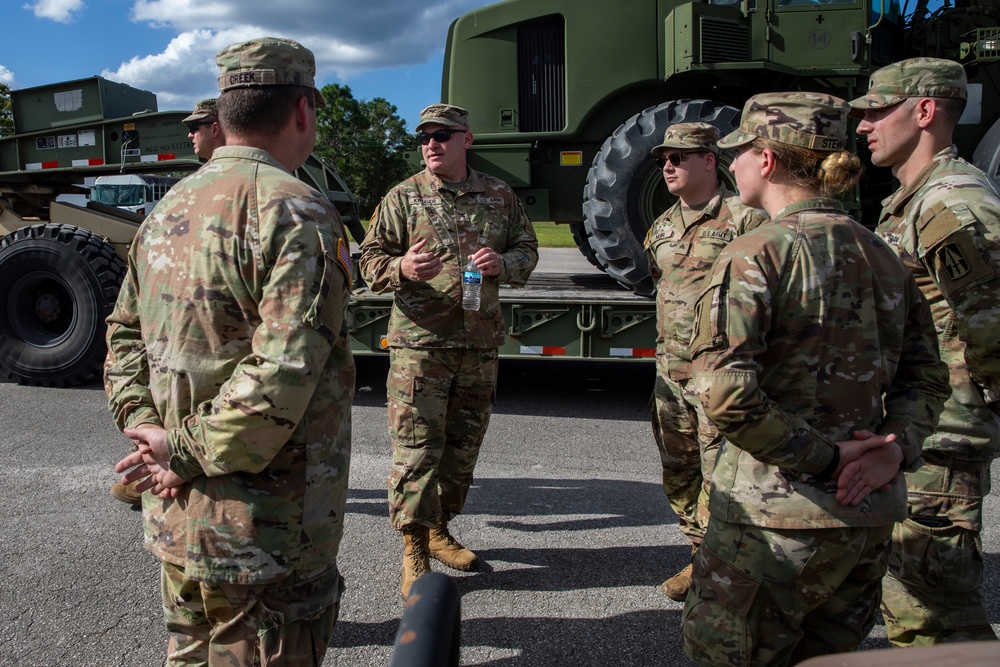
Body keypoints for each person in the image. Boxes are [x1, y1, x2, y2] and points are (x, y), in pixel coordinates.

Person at [106, 37, 355, 666]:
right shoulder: (297, 211)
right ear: (302, 111)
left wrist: (146, 430)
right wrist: (179, 450)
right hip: (261, 533)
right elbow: (281, 373)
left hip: (175, 517)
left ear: (226, 111)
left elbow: (123, 335)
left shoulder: (166, 209)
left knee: (189, 652)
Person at [680, 91, 950, 666]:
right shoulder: (885, 254)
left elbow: (726, 395)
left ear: (769, 159)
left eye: (740, 152)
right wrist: (895, 451)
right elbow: (928, 377)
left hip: (773, 523)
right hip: (866, 518)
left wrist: (827, 460)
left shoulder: (755, 253)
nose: (732, 164)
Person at [359, 103, 538, 599]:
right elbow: (369, 261)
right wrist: (401, 270)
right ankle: (414, 546)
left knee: (462, 453)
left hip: (478, 345)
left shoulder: (499, 196)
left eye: (443, 135)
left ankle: (440, 527)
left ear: (467, 139)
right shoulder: (403, 197)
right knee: (417, 452)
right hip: (421, 346)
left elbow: (529, 248)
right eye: (425, 137)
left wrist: (504, 263)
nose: (431, 144)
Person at [850, 57, 1000, 646]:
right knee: (915, 604)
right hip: (920, 431)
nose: (864, 125)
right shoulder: (913, 200)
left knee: (933, 615)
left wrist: (971, 420)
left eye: (877, 111)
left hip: (941, 437)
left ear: (925, 110)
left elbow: (992, 327)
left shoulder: (951, 204)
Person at [644, 122, 767, 600]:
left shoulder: (746, 219)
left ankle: (716, 565)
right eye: (663, 160)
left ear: (710, 160)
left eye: (679, 157)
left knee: (721, 475)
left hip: (719, 377)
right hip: (669, 376)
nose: (668, 166)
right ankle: (698, 549)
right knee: (678, 471)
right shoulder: (663, 226)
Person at [109, 101, 228, 508]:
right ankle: (151, 460)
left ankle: (163, 461)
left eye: (198, 126)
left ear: (218, 127)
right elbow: (127, 321)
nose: (190, 134)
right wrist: (142, 426)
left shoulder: (250, 197)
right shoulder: (180, 198)